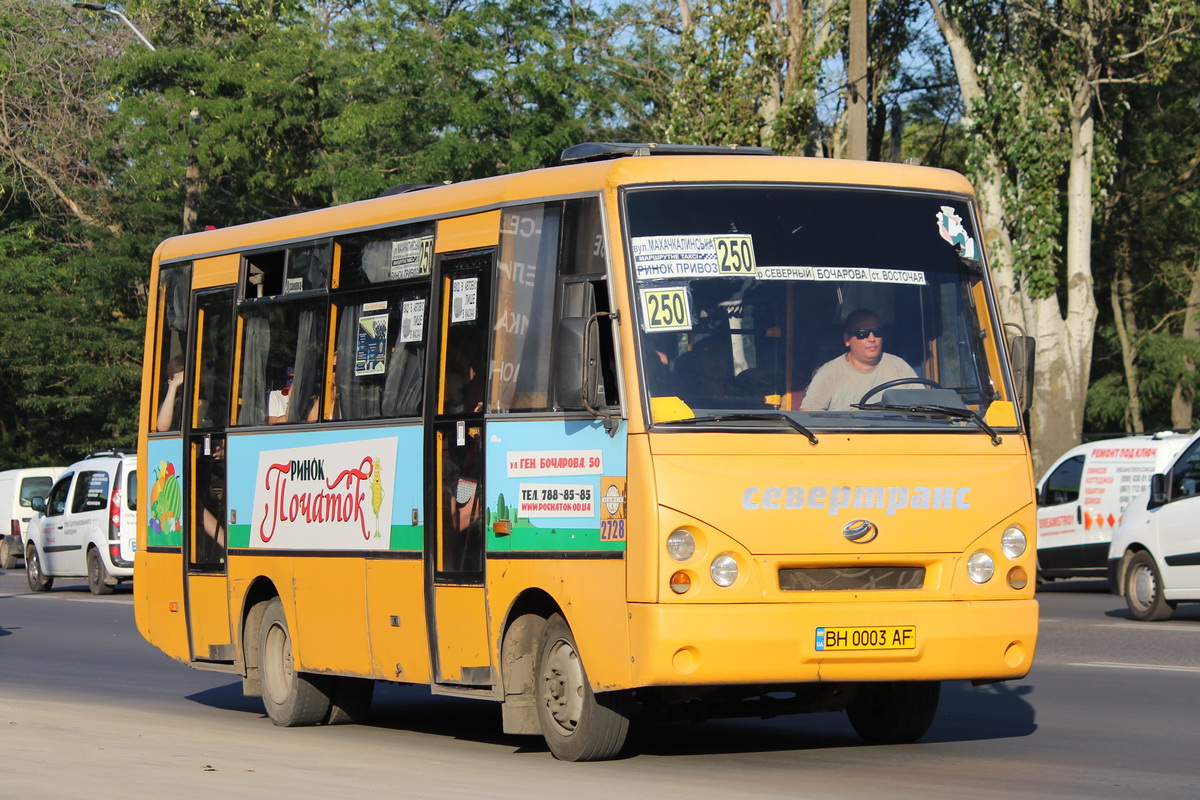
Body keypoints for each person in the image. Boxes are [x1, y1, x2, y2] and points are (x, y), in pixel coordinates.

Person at [802, 309, 916, 411]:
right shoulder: (829, 373)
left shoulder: (900, 367)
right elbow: (808, 416)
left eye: (877, 332)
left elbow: (924, 408)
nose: (872, 339)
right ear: (847, 339)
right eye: (863, 334)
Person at [155, 356, 185, 432]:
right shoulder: (171, 403)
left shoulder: (201, 401)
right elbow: (162, 427)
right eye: (179, 382)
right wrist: (173, 386)